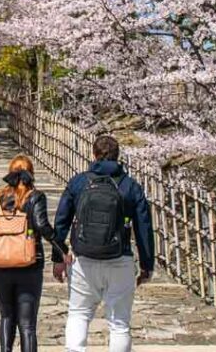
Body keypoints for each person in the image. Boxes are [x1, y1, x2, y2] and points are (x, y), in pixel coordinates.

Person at [52, 135, 155, 352]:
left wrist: (58, 258)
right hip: (120, 258)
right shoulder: (130, 186)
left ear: (94, 154)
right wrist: (147, 265)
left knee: (79, 314)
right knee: (119, 324)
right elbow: (144, 227)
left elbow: (61, 221)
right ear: (118, 156)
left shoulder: (79, 182)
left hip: (83, 259)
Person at [0, 155, 60, 352]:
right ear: (30, 173)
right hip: (29, 265)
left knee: (6, 316)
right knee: (27, 325)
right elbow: (42, 226)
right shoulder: (35, 197)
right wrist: (63, 249)